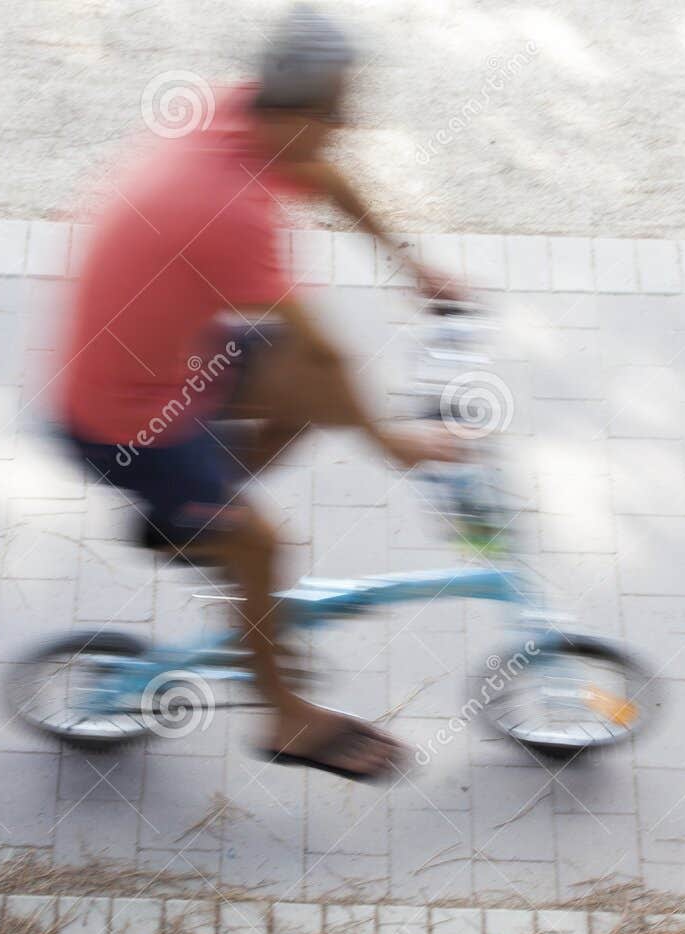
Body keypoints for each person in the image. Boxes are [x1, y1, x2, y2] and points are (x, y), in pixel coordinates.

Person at [53, 5, 460, 778]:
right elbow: (324, 352)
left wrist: (409, 264)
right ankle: (285, 719)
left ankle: (187, 522)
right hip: (122, 418)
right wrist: (397, 445)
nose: (349, 121)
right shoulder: (225, 211)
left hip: (158, 358)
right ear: (300, 109)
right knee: (263, 544)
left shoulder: (238, 111)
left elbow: (323, 174)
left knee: (301, 398)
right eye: (338, 108)